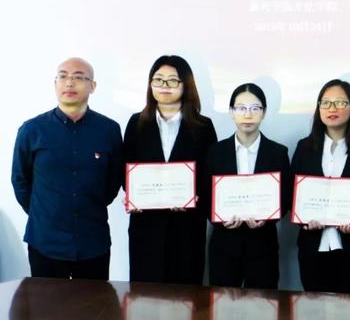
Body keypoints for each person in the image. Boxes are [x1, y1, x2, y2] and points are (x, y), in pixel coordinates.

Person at [11, 57, 123, 280]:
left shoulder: (109, 130)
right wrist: (45, 213)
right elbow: (20, 180)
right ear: (55, 84)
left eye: (78, 77)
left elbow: (114, 179)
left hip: (93, 242)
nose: (69, 83)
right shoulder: (32, 130)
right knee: (47, 303)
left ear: (93, 86)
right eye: (63, 77)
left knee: (94, 303)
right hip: (45, 243)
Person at [123, 55, 217, 284]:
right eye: (158, 79)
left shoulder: (203, 127)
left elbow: (210, 175)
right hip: (147, 227)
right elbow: (126, 169)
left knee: (186, 296)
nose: (164, 86)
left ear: (186, 85)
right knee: (145, 297)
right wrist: (133, 195)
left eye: (173, 80)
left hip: (187, 227)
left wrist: (196, 197)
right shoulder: (136, 123)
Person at [291, 79, 350, 294]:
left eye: (340, 103)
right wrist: (304, 220)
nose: (332, 108)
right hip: (312, 247)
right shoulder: (304, 147)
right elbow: (292, 192)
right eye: (326, 103)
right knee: (313, 311)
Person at [206, 83, 291, 289]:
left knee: (263, 306)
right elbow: (205, 194)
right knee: (222, 306)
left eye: (255, 108)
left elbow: (286, 196)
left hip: (263, 247)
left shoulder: (278, 153)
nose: (248, 114)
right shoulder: (215, 152)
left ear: (264, 112)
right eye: (241, 108)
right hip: (224, 247)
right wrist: (219, 219)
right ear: (231, 112)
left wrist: (268, 217)